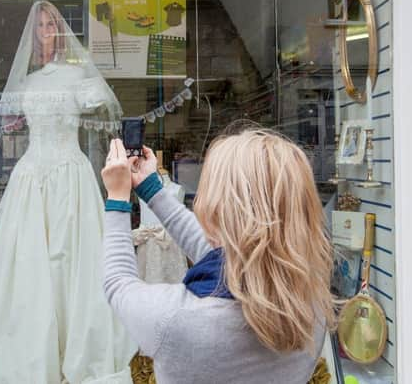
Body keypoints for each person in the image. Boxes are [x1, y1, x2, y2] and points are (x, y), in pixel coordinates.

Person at [0, 1, 136, 383]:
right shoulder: (25, 83)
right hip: (31, 177)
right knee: (28, 263)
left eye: (51, 24)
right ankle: (30, 348)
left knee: (72, 260)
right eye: (40, 25)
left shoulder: (79, 79)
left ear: (60, 31)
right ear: (32, 34)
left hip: (70, 175)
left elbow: (107, 110)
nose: (46, 31)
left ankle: (77, 346)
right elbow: (13, 125)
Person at [101, 129, 335, 384]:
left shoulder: (176, 318)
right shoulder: (312, 305)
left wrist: (117, 198)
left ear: (219, 212)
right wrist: (152, 190)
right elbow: (220, 255)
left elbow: (118, 284)